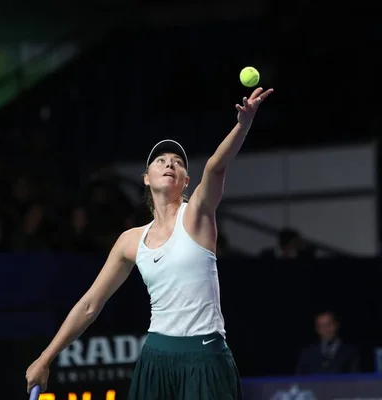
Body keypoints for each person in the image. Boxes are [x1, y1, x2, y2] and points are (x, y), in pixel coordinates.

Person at [25, 87, 273, 399]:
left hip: (205, 359)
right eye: (160, 160)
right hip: (156, 360)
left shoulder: (197, 214)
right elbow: (90, 304)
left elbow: (215, 167)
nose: (170, 164)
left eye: (177, 162)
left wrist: (243, 124)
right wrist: (45, 358)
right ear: (145, 178)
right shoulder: (131, 241)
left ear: (185, 181)